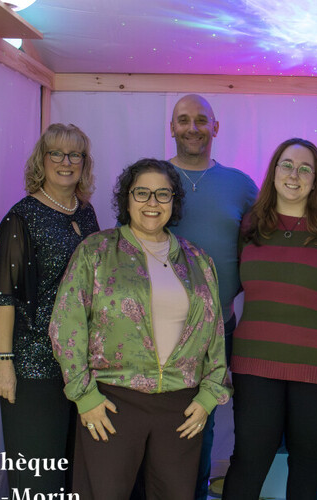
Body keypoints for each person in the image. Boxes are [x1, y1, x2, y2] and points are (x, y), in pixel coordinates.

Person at [49, 158, 230, 500]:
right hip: (111, 401)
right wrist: (84, 397)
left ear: (174, 201)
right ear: (127, 199)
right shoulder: (96, 251)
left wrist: (208, 397)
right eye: (142, 192)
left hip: (180, 407)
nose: (152, 202)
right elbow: (66, 325)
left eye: (162, 194)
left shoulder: (197, 260)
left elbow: (214, 334)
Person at [221, 138, 317, 500]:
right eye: (286, 165)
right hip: (255, 363)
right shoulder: (249, 225)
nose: (294, 175)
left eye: (305, 168)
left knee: (308, 460)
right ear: (274, 171)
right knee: (249, 460)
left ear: (316, 179)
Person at [0, 123, 100, 491]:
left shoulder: (86, 213)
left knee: (73, 476)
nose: (66, 162)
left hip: (81, 363)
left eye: (75, 154)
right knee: (37, 479)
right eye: (57, 153)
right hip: (34, 364)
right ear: (41, 160)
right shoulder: (22, 218)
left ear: (84, 162)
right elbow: (2, 296)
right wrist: (4, 363)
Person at [166, 94, 259, 499]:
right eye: (183, 120)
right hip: (159, 328)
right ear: (172, 128)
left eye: (201, 120)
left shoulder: (240, 185)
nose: (192, 127)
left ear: (215, 127)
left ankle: (197, 493)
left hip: (221, 326)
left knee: (202, 423)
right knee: (161, 420)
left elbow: (273, 231)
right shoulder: (153, 178)